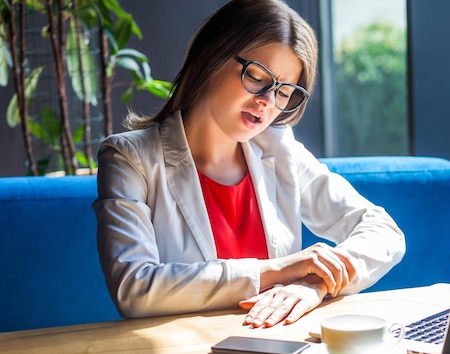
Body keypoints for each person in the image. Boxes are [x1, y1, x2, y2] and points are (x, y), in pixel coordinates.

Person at [93, 0, 405, 328]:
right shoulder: (129, 157)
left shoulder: (278, 148)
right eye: (257, 77)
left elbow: (384, 231)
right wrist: (282, 269)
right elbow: (135, 288)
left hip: (277, 346)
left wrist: (314, 283)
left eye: (285, 92)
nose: (268, 102)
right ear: (211, 57)